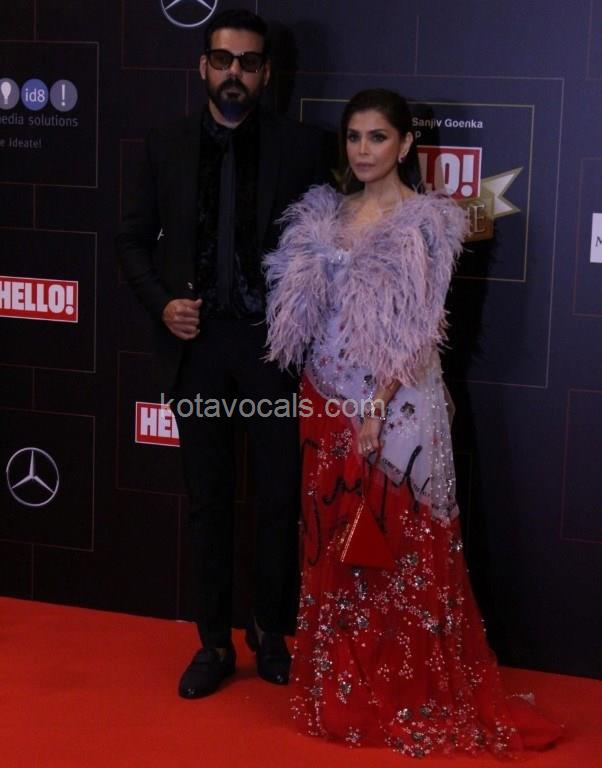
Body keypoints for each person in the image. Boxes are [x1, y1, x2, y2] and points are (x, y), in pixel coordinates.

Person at [265, 89, 562, 757]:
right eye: (354, 137)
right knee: (334, 542)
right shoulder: (325, 215)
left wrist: (376, 405)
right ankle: (343, 686)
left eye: (377, 137)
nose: (363, 150)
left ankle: (404, 689)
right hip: (324, 399)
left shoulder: (428, 222)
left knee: (396, 543)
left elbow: (423, 329)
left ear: (405, 144)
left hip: (394, 405)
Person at [117, 9, 333, 699]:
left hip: (274, 354)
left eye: (248, 62)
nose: (234, 72)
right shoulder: (165, 144)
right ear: (202, 67)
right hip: (198, 350)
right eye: (222, 60)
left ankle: (271, 632)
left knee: (278, 498)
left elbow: (333, 245)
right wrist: (163, 304)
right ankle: (212, 642)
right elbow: (131, 240)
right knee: (208, 500)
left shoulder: (304, 148)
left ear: (266, 73)